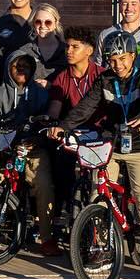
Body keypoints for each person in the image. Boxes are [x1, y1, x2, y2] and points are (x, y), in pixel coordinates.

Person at [51, 30, 140, 279]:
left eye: (122, 59)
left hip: (139, 144)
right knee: (99, 193)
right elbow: (86, 107)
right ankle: (101, 250)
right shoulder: (105, 80)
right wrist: (64, 125)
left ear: (132, 56)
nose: (117, 65)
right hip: (112, 144)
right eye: (112, 60)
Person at [0, 51, 57, 253]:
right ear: (8, 68)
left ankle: (46, 237)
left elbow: (49, 125)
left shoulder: (40, 94)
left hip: (34, 150)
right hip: (4, 153)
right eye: (17, 65)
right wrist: (1, 143)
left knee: (44, 185)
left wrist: (37, 140)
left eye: (26, 65)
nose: (22, 69)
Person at [46, 26, 101, 228]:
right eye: (67, 46)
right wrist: (53, 124)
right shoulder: (62, 77)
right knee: (60, 159)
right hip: (72, 133)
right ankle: (63, 207)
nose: (69, 51)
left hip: (98, 134)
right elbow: (55, 107)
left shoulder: (101, 75)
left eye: (75, 47)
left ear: (89, 50)